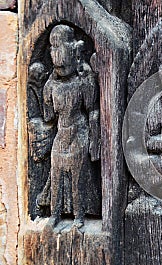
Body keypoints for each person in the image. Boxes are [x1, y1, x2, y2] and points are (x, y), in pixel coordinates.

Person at [43, 25, 100, 228]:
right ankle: (55, 213)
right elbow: (48, 116)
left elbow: (92, 110)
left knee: (77, 178)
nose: (56, 54)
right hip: (61, 132)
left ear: (75, 52)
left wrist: (95, 140)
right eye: (53, 49)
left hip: (79, 130)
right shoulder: (51, 86)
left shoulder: (83, 82)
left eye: (61, 48)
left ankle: (79, 216)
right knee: (55, 173)